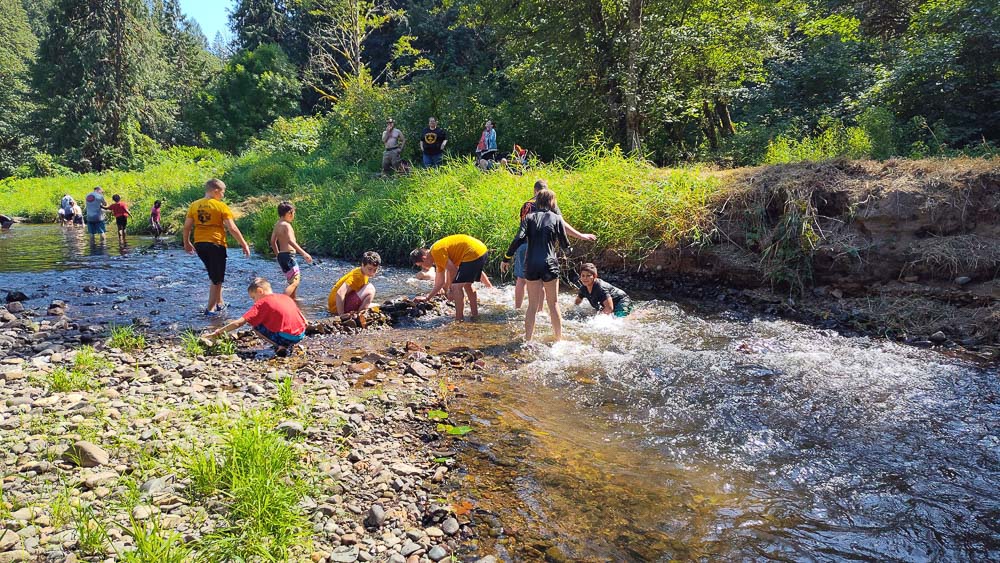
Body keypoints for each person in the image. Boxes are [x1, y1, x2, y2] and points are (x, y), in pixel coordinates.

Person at [511, 179, 596, 309]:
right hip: (544, 248)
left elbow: (522, 230)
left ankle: (517, 309)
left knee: (521, 280)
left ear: (535, 191)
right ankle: (540, 310)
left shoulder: (526, 205)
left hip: (524, 245)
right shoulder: (552, 206)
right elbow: (561, 225)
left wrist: (507, 256)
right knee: (545, 282)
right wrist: (580, 235)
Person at [501, 189, 570, 342]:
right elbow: (565, 244)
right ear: (552, 202)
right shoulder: (557, 218)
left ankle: (528, 340)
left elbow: (518, 239)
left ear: (537, 201)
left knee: (532, 305)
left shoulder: (529, 218)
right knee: (553, 304)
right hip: (549, 264)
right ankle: (559, 340)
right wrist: (568, 251)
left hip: (531, 265)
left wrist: (506, 258)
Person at [183, 179, 251, 316]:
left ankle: (220, 303)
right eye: (222, 192)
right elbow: (232, 228)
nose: (223, 195)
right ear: (215, 191)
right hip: (216, 243)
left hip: (199, 244)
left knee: (214, 274)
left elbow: (187, 227)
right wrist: (243, 243)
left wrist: (186, 242)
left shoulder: (194, 205)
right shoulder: (221, 206)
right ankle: (210, 309)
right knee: (217, 278)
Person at [204, 277, 307, 357]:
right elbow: (303, 318)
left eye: (253, 297)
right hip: (301, 334)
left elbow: (238, 323)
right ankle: (288, 342)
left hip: (286, 337)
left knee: (256, 326)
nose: (254, 301)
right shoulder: (284, 297)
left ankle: (280, 346)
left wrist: (218, 332)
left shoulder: (261, 303)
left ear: (260, 291)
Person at [411, 234, 488, 321]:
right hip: (481, 250)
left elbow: (453, 270)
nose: (423, 267)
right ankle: (475, 316)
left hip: (473, 253)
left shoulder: (436, 252)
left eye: (421, 265)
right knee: (467, 285)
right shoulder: (435, 254)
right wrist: (427, 298)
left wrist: (449, 290)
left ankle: (459, 319)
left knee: (456, 287)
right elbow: (440, 282)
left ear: (424, 258)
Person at [270, 201, 314, 300]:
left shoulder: (277, 225)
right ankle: (283, 301)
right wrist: (304, 253)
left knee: (291, 281)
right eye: (293, 213)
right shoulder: (287, 225)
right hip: (289, 256)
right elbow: (290, 241)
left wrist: (278, 256)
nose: (293, 216)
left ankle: (293, 300)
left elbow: (272, 242)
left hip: (282, 256)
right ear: (289, 213)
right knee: (295, 282)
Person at [327, 251, 380, 316]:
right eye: (370, 269)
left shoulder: (363, 273)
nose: (372, 272)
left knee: (377, 305)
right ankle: (360, 314)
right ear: (363, 265)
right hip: (336, 308)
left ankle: (360, 310)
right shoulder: (357, 276)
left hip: (335, 307)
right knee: (370, 288)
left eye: (375, 270)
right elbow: (340, 293)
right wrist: (341, 315)